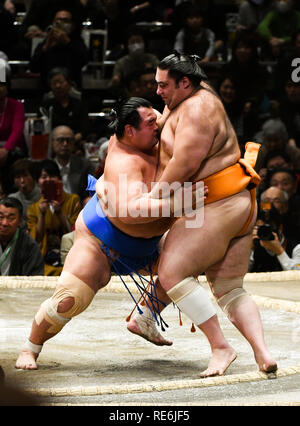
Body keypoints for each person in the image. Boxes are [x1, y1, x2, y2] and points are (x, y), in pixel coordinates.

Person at [15, 97, 220, 372]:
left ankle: (146, 314)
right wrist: (178, 204)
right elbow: (128, 211)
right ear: (129, 132)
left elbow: (177, 114)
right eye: (151, 122)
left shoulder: (159, 137)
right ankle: (31, 347)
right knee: (69, 300)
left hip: (150, 242)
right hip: (102, 241)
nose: (158, 124)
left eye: (157, 118)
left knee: (189, 261)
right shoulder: (125, 160)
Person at [150, 52, 277, 374]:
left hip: (217, 202)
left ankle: (221, 348)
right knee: (230, 287)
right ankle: (264, 354)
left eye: (164, 85)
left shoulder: (196, 108)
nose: (158, 92)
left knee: (172, 272)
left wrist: (154, 197)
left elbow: (185, 163)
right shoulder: (193, 95)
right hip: (236, 200)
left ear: (185, 83)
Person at [26, 159, 81, 276]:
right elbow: (35, 240)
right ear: (38, 182)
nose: (48, 180)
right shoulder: (33, 209)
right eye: (44, 177)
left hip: (70, 256)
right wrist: (41, 214)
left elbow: (76, 232)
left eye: (52, 176)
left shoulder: (73, 200)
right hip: (45, 261)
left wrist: (60, 213)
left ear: (59, 179)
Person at [29, 9, 88, 90]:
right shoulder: (45, 44)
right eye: (58, 20)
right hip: (48, 91)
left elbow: (84, 62)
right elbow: (33, 68)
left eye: (65, 20)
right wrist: (46, 47)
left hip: (71, 92)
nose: (61, 23)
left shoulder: (77, 43)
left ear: (72, 25)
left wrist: (68, 43)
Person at [40, 67, 90, 151]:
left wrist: (71, 140)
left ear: (69, 84)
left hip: (75, 143)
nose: (58, 86)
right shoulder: (46, 106)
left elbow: (85, 128)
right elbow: (43, 129)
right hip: (52, 146)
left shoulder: (79, 104)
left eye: (61, 82)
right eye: (54, 83)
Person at [249, 197, 300, 272]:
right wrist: (248, 250)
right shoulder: (254, 245)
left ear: (280, 228)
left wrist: (280, 251)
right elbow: (238, 276)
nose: (265, 231)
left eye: (269, 228)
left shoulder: (296, 248)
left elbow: (298, 275)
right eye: (260, 228)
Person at [0, 197, 44, 276]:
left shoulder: (30, 246)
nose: (4, 223)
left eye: (11, 218)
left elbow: (34, 280)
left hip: (17, 288)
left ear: (20, 221)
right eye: (1, 217)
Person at [109, 28, 160, 97]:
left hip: (151, 97)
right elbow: (113, 83)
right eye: (133, 42)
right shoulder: (121, 62)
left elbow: (162, 77)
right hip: (129, 97)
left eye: (138, 41)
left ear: (144, 43)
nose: (136, 45)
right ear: (127, 45)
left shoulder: (152, 59)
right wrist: (115, 81)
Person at [51, 125, 95, 201]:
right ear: (52, 142)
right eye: (60, 140)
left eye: (69, 140)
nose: (65, 144)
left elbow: (91, 193)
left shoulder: (85, 165)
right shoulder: (47, 166)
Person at [0, 77, 27, 194]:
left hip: (12, 150)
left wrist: (5, 149)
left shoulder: (16, 105)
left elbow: (17, 130)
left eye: (1, 85)